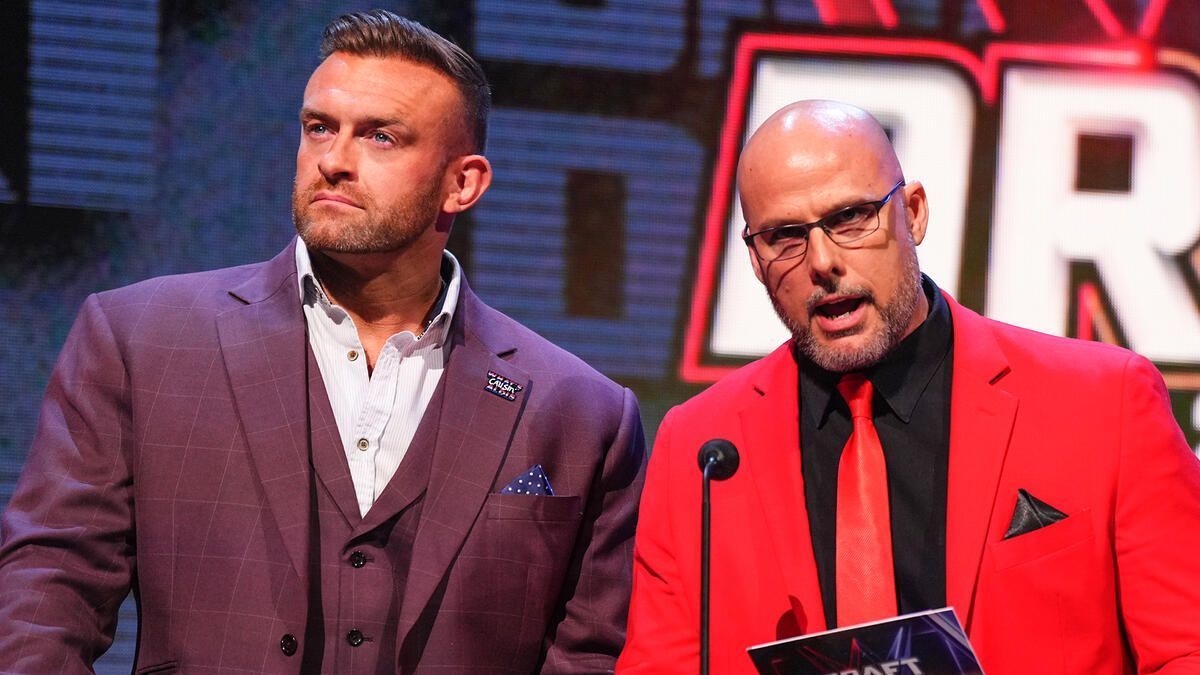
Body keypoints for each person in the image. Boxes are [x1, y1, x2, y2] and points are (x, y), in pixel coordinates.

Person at [0, 10, 644, 673]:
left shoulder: (581, 411)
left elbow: (588, 653)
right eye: (319, 129)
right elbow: (48, 589)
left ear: (464, 182)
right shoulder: (141, 339)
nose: (333, 161)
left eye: (382, 138)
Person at [617, 100, 1200, 673]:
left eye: (850, 217)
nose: (822, 262)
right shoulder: (701, 446)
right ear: (754, 256)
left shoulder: (1103, 402)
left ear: (914, 213)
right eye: (785, 237)